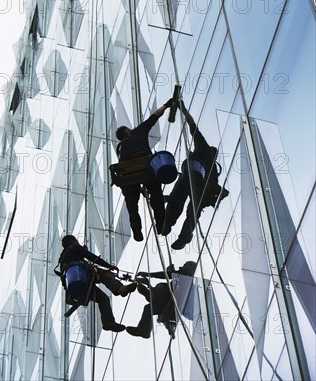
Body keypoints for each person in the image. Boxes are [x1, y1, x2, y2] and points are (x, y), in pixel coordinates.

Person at [161, 100, 228, 249]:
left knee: (176, 201)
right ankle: (181, 235)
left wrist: (183, 110)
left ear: (211, 151)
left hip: (191, 173)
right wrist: (220, 194)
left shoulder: (204, 150)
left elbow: (193, 127)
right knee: (192, 209)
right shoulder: (213, 169)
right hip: (192, 175)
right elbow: (214, 187)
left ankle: (168, 224)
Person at [115, 99, 173, 241]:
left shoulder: (120, 148)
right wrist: (167, 105)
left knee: (131, 201)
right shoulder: (137, 132)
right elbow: (154, 116)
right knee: (156, 195)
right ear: (128, 130)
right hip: (146, 168)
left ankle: (135, 226)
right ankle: (160, 223)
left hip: (127, 174)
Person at [57, 235, 137, 332]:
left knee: (103, 299)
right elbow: (92, 257)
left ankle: (108, 322)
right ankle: (119, 288)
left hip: (76, 286)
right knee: (104, 273)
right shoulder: (74, 248)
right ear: (73, 241)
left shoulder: (63, 259)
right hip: (81, 276)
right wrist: (108, 266)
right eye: (76, 241)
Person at [126, 261, 196, 338]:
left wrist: (149, 275)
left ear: (191, 269)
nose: (181, 267)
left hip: (172, 303)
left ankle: (151, 295)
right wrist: (149, 276)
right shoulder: (183, 278)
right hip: (168, 303)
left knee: (163, 287)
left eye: (185, 266)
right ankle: (144, 330)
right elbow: (166, 275)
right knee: (148, 308)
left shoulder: (187, 278)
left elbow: (166, 275)